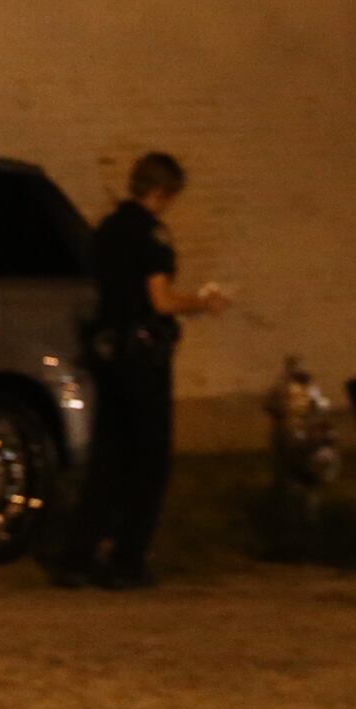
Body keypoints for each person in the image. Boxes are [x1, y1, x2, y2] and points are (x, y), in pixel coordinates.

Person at [58, 151, 227, 589]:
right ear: (161, 192)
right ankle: (127, 557)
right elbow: (161, 300)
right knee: (149, 459)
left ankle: (78, 554)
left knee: (108, 457)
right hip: (142, 359)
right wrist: (204, 304)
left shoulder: (108, 229)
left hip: (108, 354)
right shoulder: (153, 235)